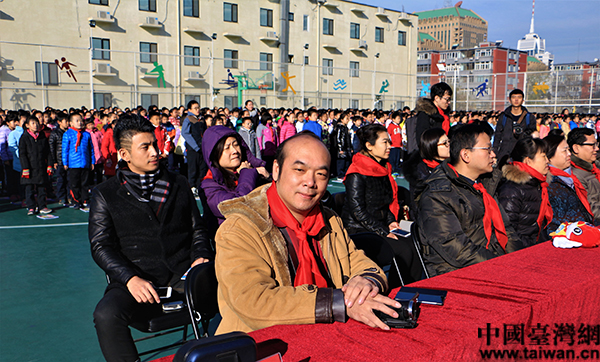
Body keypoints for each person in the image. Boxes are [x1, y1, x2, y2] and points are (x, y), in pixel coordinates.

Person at [214, 131, 401, 335]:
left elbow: (357, 261)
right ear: (276, 169)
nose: (310, 182)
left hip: (327, 334)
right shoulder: (240, 228)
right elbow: (255, 302)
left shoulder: (329, 219)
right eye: (300, 170)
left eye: (320, 174)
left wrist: (366, 282)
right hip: (262, 344)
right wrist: (338, 303)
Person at [90, 114, 213, 362]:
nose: (154, 152)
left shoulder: (178, 183)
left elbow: (197, 229)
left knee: (234, 291)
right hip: (136, 279)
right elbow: (101, 245)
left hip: (184, 275)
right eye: (145, 147)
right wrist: (129, 278)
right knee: (106, 314)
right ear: (124, 155)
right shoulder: (105, 194)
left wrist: (201, 256)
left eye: (154, 144)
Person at [416, 124, 520, 277]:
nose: (493, 155)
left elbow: (507, 230)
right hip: (456, 273)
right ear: (466, 155)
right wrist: (501, 265)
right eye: (487, 149)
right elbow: (457, 248)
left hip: (490, 264)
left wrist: (519, 261)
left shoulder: (483, 185)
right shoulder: (437, 194)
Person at [341, 124, 422, 285]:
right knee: (403, 250)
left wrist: (391, 221)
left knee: (415, 243)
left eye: (389, 142)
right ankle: (396, 291)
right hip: (358, 231)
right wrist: (384, 231)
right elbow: (358, 212)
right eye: (384, 142)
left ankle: (412, 287)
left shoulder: (383, 169)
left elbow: (387, 202)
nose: (389, 146)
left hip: (378, 227)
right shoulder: (356, 172)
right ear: (369, 146)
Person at [201, 125, 268, 228]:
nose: (234, 151)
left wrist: (268, 178)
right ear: (214, 154)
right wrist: (247, 173)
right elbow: (238, 206)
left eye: (236, 145)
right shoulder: (209, 185)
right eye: (227, 148)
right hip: (234, 239)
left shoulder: (255, 171)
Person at [497, 137, 552, 248]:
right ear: (528, 161)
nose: (548, 161)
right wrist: (535, 248)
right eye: (543, 156)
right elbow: (509, 232)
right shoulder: (511, 190)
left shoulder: (538, 184)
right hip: (524, 250)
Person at [545, 134, 594, 232]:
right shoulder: (550, 184)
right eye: (564, 150)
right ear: (549, 155)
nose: (569, 154)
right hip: (570, 236)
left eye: (568, 150)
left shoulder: (571, 177)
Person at [404, 127, 450, 212]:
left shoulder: (453, 166)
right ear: (431, 146)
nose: (449, 145)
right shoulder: (419, 172)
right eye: (444, 143)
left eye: (449, 141)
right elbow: (417, 206)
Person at [19, 116, 54, 215]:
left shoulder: (42, 137)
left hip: (41, 166)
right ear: (27, 125)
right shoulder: (24, 137)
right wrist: (25, 167)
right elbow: (22, 154)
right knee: (29, 188)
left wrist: (49, 165)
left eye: (37, 123)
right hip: (29, 168)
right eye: (33, 123)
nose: (36, 125)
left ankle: (42, 206)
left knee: (41, 188)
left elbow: (48, 152)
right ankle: (31, 207)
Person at [492, 89, 537, 163]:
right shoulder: (504, 116)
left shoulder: (529, 117)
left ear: (523, 100)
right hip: (504, 154)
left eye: (519, 97)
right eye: (513, 97)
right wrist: (495, 152)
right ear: (509, 100)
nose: (516, 99)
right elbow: (497, 136)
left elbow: (532, 136)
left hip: (521, 154)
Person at [567, 128, 600, 224]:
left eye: (596, 144)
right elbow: (592, 210)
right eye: (592, 145)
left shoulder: (595, 167)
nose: (596, 148)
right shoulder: (575, 175)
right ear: (576, 148)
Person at [62, 113, 95, 210]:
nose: (80, 123)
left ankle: (85, 200)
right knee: (74, 184)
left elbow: (91, 149)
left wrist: (92, 161)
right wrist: (65, 162)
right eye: (77, 121)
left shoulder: (86, 134)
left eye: (81, 120)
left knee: (85, 183)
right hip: (73, 164)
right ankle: (76, 200)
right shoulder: (67, 134)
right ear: (71, 123)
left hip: (85, 163)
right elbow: (65, 149)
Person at [181, 100, 207, 197]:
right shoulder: (188, 119)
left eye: (198, 107)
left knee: (202, 168)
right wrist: (195, 146)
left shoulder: (201, 119)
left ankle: (200, 186)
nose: (197, 110)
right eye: (195, 108)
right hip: (193, 149)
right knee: (193, 168)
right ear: (190, 109)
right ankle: (192, 187)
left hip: (202, 148)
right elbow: (185, 133)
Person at [49, 113, 69, 205]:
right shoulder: (55, 133)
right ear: (59, 122)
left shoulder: (69, 132)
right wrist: (54, 161)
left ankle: (69, 196)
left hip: (69, 160)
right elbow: (52, 148)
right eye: (66, 121)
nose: (67, 123)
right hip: (59, 160)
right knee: (60, 180)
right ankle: (61, 197)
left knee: (69, 180)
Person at [331, 111, 353, 179]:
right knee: (341, 163)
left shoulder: (345, 128)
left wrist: (350, 148)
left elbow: (347, 139)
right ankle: (340, 175)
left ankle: (344, 174)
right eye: (346, 118)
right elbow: (339, 139)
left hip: (346, 148)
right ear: (342, 119)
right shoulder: (340, 127)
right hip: (342, 148)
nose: (347, 120)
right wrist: (340, 149)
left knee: (346, 162)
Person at [86, 118, 104, 186]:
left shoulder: (98, 132)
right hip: (91, 156)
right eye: (89, 125)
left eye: (92, 124)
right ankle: (91, 186)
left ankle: (99, 185)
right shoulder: (86, 133)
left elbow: (102, 142)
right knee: (91, 173)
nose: (91, 126)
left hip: (99, 155)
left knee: (99, 173)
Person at [387, 112, 403, 176]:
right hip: (393, 146)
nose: (399, 120)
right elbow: (388, 135)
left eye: (399, 118)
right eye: (398, 118)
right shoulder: (391, 126)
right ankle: (392, 170)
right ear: (393, 119)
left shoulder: (399, 127)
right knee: (392, 159)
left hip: (398, 145)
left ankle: (396, 170)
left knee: (397, 159)